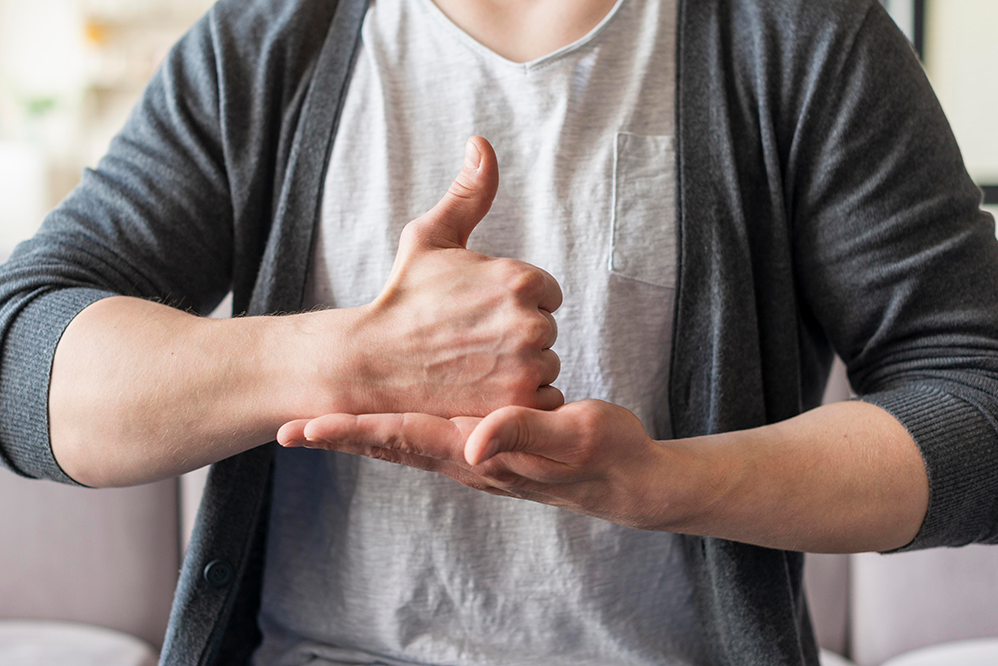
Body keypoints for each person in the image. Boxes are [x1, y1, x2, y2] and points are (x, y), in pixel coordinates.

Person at [1, 0, 997, 663]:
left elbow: (975, 406)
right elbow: (22, 357)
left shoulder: (801, 34)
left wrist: (659, 484)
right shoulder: (265, 43)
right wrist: (354, 362)